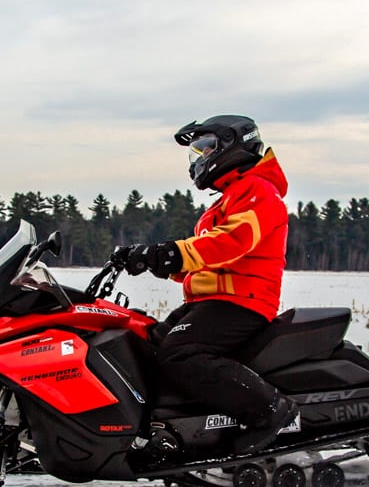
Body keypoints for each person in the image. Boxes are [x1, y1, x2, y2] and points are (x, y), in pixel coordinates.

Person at [116, 114, 298, 453]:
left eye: (205, 148)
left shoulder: (258, 190)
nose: (200, 157)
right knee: (146, 339)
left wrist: (171, 253)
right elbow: (215, 260)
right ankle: (167, 424)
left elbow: (231, 243)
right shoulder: (232, 196)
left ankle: (270, 410)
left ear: (233, 144)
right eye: (196, 151)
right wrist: (158, 263)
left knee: (180, 353)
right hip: (215, 300)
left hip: (243, 302)